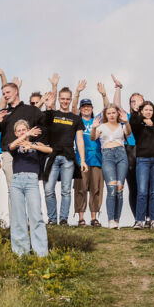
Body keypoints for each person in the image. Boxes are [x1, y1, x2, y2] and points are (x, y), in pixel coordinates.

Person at [42, 75, 86, 225]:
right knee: (48, 189)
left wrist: (83, 160)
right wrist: (48, 105)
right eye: (63, 98)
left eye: (68, 99)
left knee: (66, 190)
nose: (65, 101)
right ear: (59, 99)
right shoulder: (52, 114)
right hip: (52, 156)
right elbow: (44, 122)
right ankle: (52, 219)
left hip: (68, 157)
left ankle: (63, 219)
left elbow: (79, 139)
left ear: (70, 99)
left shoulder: (76, 118)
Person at [8, 120, 51, 257]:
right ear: (16, 133)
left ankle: (41, 253)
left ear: (29, 130)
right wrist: (24, 138)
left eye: (24, 129)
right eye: (19, 130)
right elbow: (11, 147)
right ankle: (21, 253)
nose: (22, 132)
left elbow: (49, 150)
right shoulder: (15, 145)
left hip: (32, 181)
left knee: (36, 216)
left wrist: (31, 144)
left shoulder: (35, 144)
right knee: (18, 218)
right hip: (16, 182)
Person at [91, 100, 130, 228]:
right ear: (105, 114)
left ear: (117, 114)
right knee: (111, 188)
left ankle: (117, 220)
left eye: (114, 112)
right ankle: (111, 220)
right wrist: (94, 127)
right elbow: (93, 138)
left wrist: (126, 122)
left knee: (119, 188)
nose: (112, 115)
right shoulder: (101, 126)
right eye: (109, 113)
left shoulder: (122, 125)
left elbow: (128, 134)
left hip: (121, 155)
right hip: (107, 156)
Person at [129, 99, 154, 228]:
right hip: (142, 160)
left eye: (150, 110)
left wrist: (152, 125)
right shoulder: (138, 125)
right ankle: (139, 221)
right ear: (142, 111)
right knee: (142, 191)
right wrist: (138, 113)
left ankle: (153, 220)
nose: (148, 112)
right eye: (146, 110)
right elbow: (132, 122)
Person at [73, 93, 105, 227]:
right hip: (81, 159)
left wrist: (103, 95)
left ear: (92, 108)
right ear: (80, 109)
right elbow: (73, 106)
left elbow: (108, 108)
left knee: (96, 189)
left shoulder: (97, 120)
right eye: (84, 107)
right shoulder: (77, 121)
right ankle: (81, 218)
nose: (86, 109)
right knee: (80, 188)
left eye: (88, 107)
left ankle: (94, 217)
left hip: (97, 159)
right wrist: (77, 93)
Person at [126, 91, 144, 220]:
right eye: (133, 101)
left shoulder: (149, 117)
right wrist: (118, 88)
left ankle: (148, 218)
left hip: (145, 153)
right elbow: (115, 105)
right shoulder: (126, 117)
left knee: (144, 188)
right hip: (129, 153)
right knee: (133, 188)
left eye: (139, 101)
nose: (136, 104)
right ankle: (137, 218)